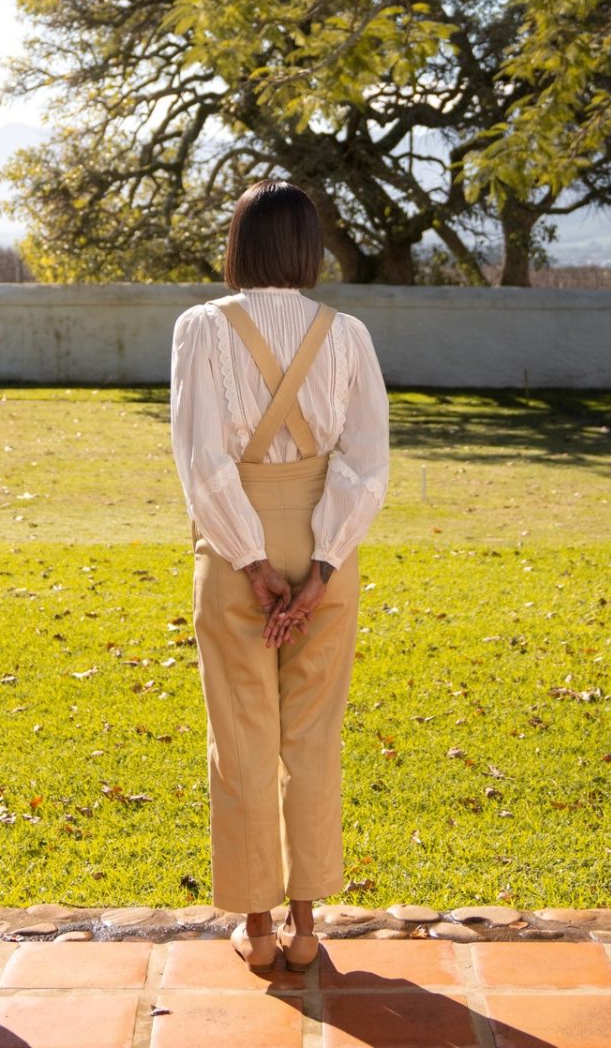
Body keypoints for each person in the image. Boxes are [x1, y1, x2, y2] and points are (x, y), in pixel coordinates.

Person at [168, 180, 391, 972]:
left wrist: (252, 559)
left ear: (239, 245)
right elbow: (366, 461)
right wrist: (322, 564)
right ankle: (306, 928)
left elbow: (201, 458)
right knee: (314, 733)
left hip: (239, 548)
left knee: (242, 733)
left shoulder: (201, 328)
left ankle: (257, 930)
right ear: (309, 249)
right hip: (326, 540)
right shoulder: (348, 335)